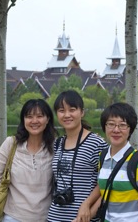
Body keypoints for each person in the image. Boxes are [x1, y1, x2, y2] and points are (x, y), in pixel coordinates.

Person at [73, 102, 138, 222]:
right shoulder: (103, 157)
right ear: (104, 127)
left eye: (122, 125)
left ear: (130, 129)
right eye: (111, 124)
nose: (116, 130)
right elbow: (105, 194)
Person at [0, 99, 57, 222]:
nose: (34, 121)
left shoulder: (56, 146)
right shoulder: (11, 144)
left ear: (47, 119)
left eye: (40, 116)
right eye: (29, 116)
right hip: (13, 217)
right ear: (23, 120)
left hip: (46, 218)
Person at [47, 90, 108, 222]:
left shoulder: (96, 143)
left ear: (82, 112)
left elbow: (106, 181)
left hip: (83, 218)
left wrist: (87, 204)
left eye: (72, 109)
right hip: (54, 217)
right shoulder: (58, 143)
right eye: (62, 110)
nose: (67, 115)